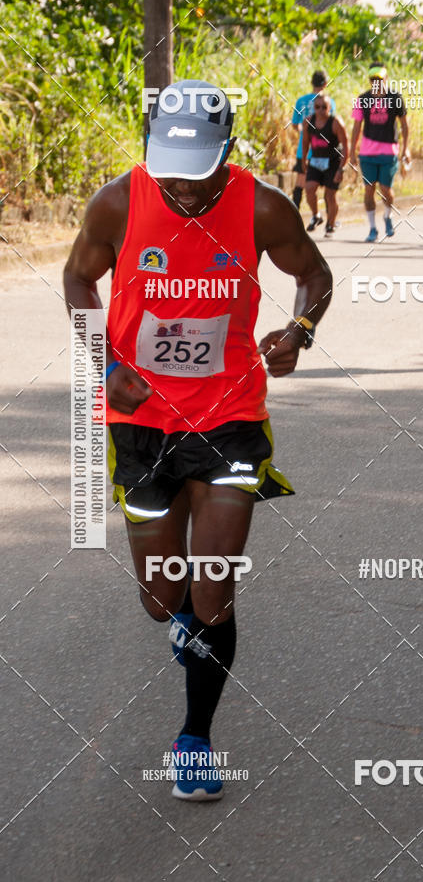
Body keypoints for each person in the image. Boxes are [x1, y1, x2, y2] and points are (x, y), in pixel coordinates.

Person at [63, 81, 332, 801]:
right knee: (161, 597)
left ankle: (195, 738)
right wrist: (107, 362)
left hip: (229, 417)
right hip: (141, 421)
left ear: (229, 149)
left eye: (200, 168)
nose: (182, 185)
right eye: (170, 167)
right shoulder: (118, 202)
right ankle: (178, 615)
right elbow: (77, 280)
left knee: (215, 590)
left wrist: (300, 330)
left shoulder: (265, 206)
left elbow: (314, 273)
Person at [349, 63, 409, 242]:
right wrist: (352, 151)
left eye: (379, 79)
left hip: (388, 152)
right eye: (373, 80)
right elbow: (356, 127)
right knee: (369, 190)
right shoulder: (362, 99)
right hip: (367, 154)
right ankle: (373, 228)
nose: (376, 83)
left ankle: (388, 216)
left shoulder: (395, 98)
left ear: (386, 79)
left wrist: (406, 149)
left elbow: (405, 125)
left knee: (386, 190)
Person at [301, 93, 348, 235]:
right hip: (316, 160)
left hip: (333, 162)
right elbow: (305, 143)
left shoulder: (336, 123)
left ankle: (331, 224)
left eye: (324, 107)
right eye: (317, 107)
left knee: (330, 195)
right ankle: (316, 215)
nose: (320, 110)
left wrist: (341, 168)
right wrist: (303, 161)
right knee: (309, 189)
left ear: (329, 108)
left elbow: (346, 146)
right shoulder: (308, 122)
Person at [291, 70, 335, 212]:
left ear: (312, 83)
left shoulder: (301, 101)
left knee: (300, 183)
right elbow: (332, 124)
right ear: (325, 84)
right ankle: (330, 222)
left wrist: (305, 134)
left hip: (304, 150)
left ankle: (294, 217)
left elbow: (294, 124)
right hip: (323, 150)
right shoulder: (329, 102)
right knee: (328, 185)